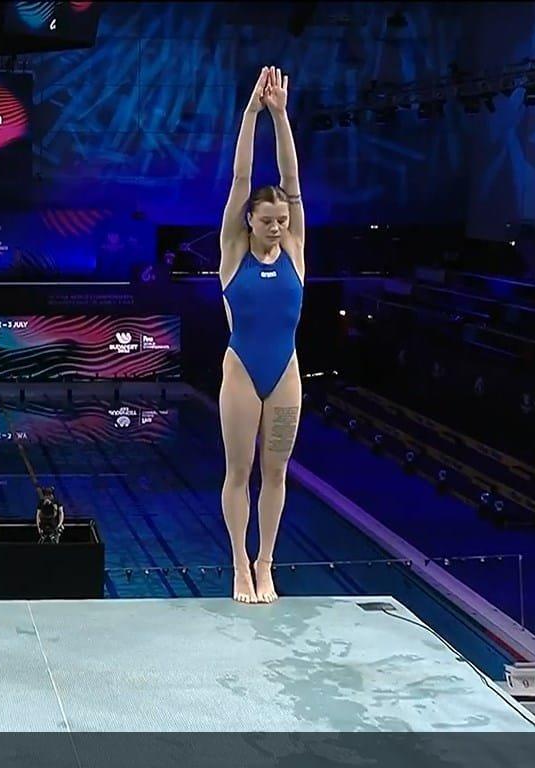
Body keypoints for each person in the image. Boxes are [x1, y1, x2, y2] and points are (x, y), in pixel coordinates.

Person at [218, 66, 304, 605]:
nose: (276, 227)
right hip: (242, 372)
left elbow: (292, 181)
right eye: (267, 220)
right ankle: (238, 565)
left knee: (276, 473)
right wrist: (252, 113)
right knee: (238, 472)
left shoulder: (295, 249)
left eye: (282, 220)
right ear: (249, 220)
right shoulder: (233, 254)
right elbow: (240, 179)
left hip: (285, 371)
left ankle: (265, 562)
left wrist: (281, 116)